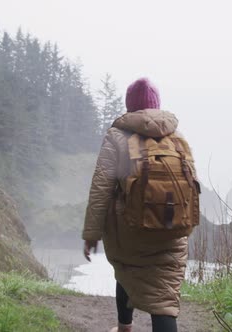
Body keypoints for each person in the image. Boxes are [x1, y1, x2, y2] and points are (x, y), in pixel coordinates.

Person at [82, 78, 198, 332]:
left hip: (131, 230)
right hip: (173, 231)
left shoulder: (118, 135)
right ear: (157, 105)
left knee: (126, 269)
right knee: (164, 301)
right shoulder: (177, 138)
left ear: (129, 106)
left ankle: (124, 328)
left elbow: (101, 187)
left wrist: (92, 234)